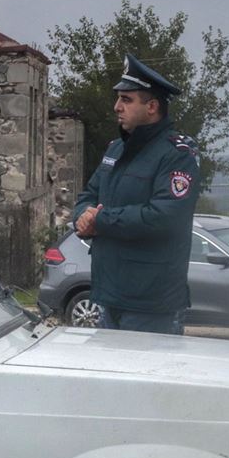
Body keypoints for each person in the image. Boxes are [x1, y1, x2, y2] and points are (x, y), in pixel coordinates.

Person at [73, 53, 201, 335]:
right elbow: (88, 196)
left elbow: (165, 216)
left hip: (151, 303)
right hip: (109, 295)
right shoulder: (115, 150)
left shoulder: (176, 155)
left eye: (127, 99)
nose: (116, 106)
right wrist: (82, 217)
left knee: (148, 378)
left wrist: (101, 220)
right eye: (118, 98)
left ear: (152, 106)